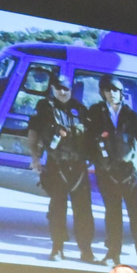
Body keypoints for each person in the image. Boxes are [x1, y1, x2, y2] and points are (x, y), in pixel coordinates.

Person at [84, 75, 137, 270]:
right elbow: (89, 142)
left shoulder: (131, 114)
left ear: (121, 93)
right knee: (112, 215)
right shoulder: (96, 113)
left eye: (115, 90)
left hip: (131, 174)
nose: (112, 94)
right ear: (102, 92)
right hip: (108, 173)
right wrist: (100, 164)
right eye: (108, 90)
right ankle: (113, 254)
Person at [27, 74, 95, 263]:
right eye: (58, 88)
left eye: (65, 88)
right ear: (53, 89)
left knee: (83, 210)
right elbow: (33, 133)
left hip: (79, 167)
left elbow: (91, 137)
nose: (62, 92)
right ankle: (57, 248)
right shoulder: (44, 108)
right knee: (57, 209)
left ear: (71, 90)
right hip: (57, 165)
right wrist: (35, 158)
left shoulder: (80, 110)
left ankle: (86, 250)